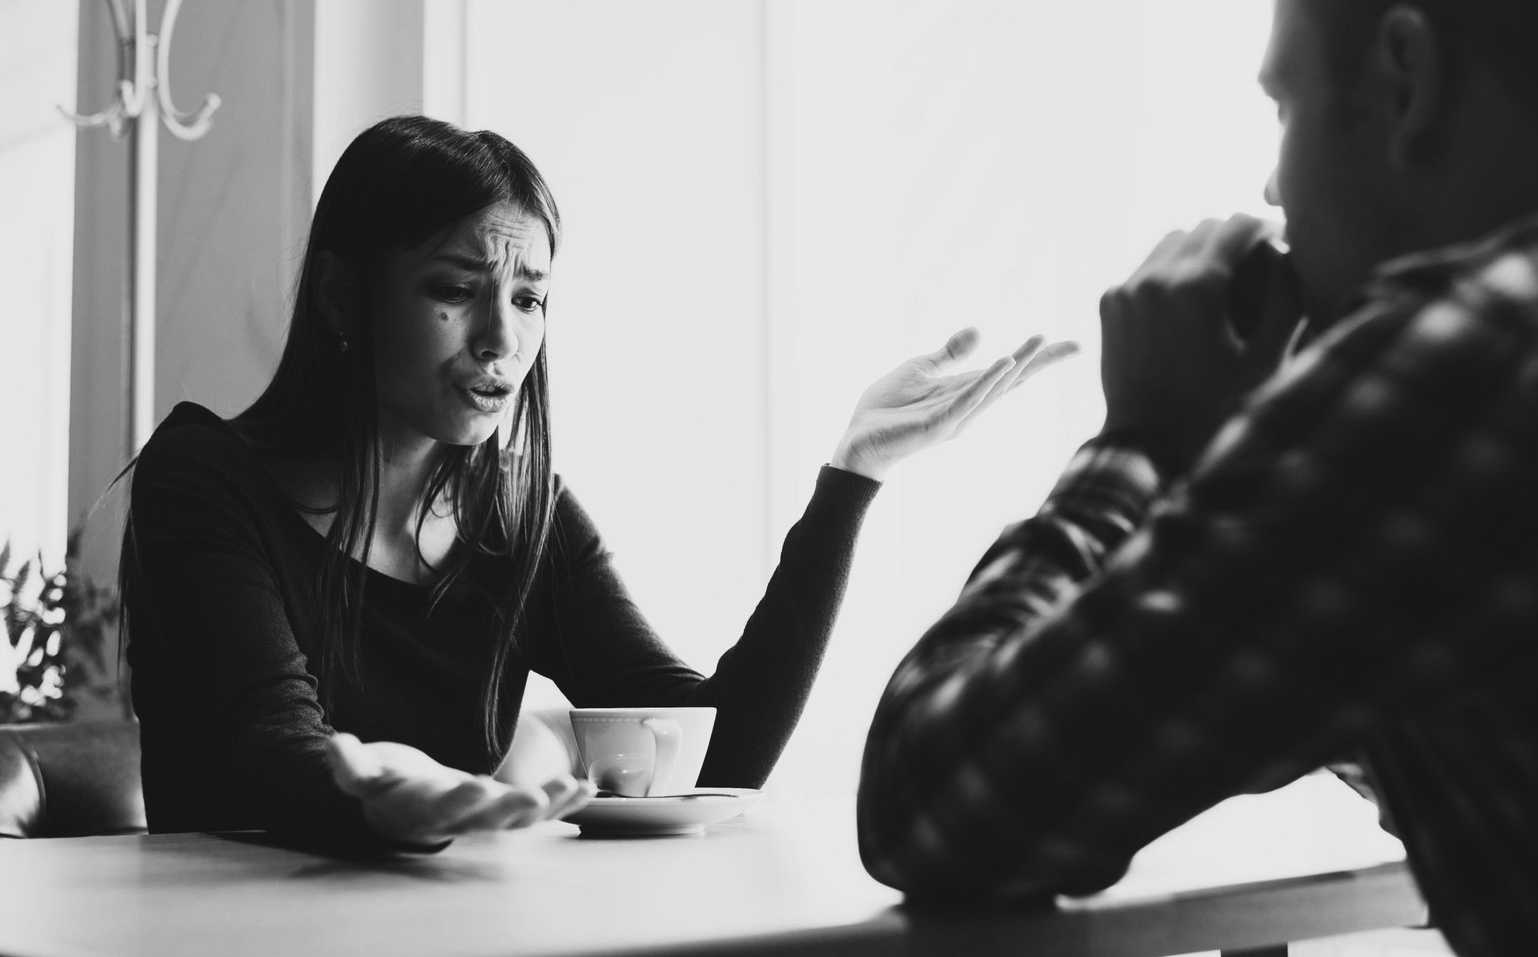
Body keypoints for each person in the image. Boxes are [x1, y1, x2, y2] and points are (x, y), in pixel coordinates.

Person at [855, 0, 1538, 954]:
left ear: (1402, 80)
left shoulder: (1470, 361)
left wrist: (1141, 445)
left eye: (1284, 104)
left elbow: (932, 799)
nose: (1268, 182)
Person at [119, 114, 1076, 853]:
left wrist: (852, 475)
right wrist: (373, 789)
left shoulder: (518, 517)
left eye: (529, 297)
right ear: (341, 296)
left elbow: (711, 747)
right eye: (454, 290)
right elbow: (270, 750)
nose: (502, 339)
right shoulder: (204, 481)